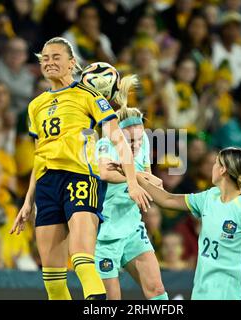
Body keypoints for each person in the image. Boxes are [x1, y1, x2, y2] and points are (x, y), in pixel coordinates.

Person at [10, 37, 151, 300]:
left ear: (72, 63)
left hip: (81, 179)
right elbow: (40, 156)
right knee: (52, 279)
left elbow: (118, 140)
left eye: (56, 57)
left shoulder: (89, 96)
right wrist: (28, 202)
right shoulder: (35, 106)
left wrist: (132, 182)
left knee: (82, 259)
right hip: (47, 185)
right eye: (45, 58)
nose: (49, 62)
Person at [125, 147, 241, 300]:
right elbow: (167, 199)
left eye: (216, 163)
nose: (213, 168)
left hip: (236, 293)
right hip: (203, 292)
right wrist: (134, 176)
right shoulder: (209, 197)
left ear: (223, 170)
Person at [94, 75, 167, 300]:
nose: (135, 146)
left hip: (133, 228)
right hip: (105, 235)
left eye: (138, 140)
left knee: (157, 291)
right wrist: (135, 177)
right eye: (130, 142)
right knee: (112, 300)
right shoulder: (104, 144)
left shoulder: (143, 141)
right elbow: (105, 173)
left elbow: (154, 181)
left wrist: (127, 172)